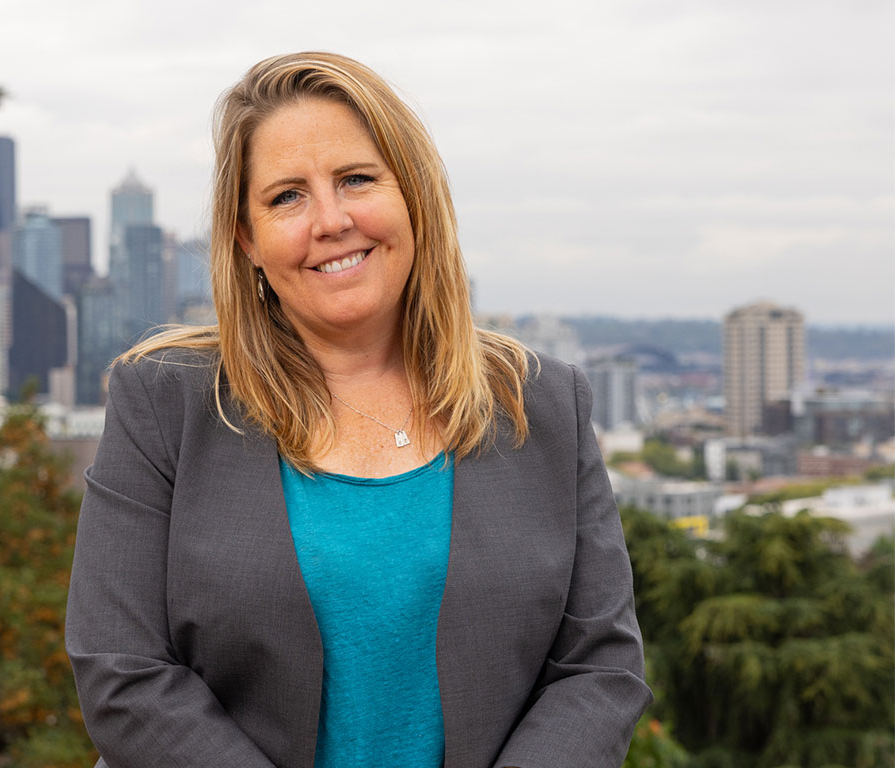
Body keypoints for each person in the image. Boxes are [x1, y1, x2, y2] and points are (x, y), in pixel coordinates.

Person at [65, 51, 651, 768]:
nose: (331, 220)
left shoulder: (543, 403)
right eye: (287, 197)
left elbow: (600, 670)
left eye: (356, 179)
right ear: (246, 239)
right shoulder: (165, 399)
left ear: (413, 195)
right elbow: (122, 672)